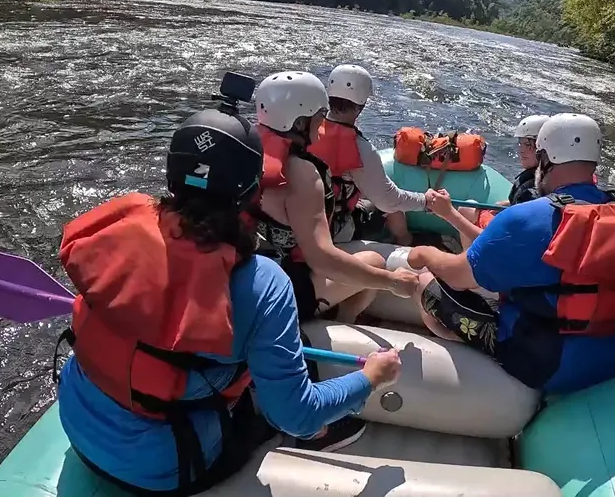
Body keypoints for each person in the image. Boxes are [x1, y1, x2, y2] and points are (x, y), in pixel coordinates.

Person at [55, 77, 402, 496]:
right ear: (252, 189)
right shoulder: (262, 283)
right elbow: (298, 414)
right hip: (166, 468)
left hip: (76, 425)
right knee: (290, 387)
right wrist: (371, 378)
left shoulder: (122, 233)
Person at [405, 113, 615, 394]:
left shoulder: (528, 218)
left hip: (546, 366)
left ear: (545, 159)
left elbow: (457, 277)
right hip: (612, 360)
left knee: (424, 284)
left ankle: (473, 363)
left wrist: (424, 253)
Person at [250, 70, 421, 324]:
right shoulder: (303, 173)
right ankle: (344, 320)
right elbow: (322, 260)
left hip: (245, 273)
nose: (322, 127)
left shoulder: (247, 146)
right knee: (375, 262)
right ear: (298, 122)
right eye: (319, 117)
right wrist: (392, 282)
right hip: (278, 291)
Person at [307, 64, 429, 246]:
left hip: (303, 219)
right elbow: (389, 200)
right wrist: (425, 201)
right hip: (334, 231)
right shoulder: (360, 148)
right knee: (393, 209)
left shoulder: (307, 129)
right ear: (360, 106)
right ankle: (406, 243)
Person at [453, 114, 550, 242]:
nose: (521, 150)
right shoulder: (548, 175)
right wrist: (507, 204)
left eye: (528, 144)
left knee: (467, 208)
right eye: (520, 143)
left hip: (512, 241)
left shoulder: (536, 189)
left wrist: (448, 213)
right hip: (516, 233)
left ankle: (467, 259)